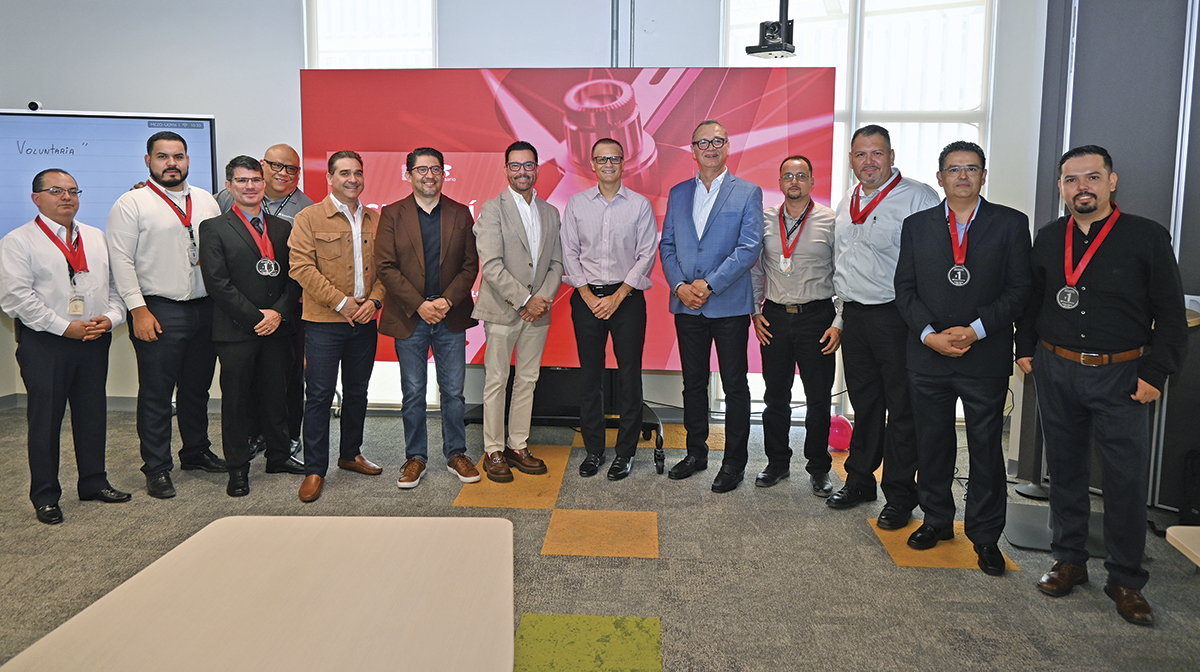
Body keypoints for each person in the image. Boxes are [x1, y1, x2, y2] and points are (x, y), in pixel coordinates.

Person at [1016, 145, 1187, 625]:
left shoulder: (1146, 236)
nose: (1082, 187)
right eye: (1072, 180)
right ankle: (1069, 559)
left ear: (1112, 181)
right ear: (1061, 188)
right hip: (1057, 368)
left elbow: (1171, 314)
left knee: (1124, 479)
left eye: (1092, 177)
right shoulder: (1050, 237)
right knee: (1064, 470)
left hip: (1123, 376)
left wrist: (1156, 373)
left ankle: (1126, 579)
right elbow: (1033, 300)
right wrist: (1025, 349)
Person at [893, 141, 1031, 575]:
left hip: (983, 355)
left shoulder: (1011, 224)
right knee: (932, 443)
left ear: (984, 176)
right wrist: (930, 335)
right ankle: (936, 519)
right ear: (940, 178)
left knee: (986, 448)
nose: (963, 176)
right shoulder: (916, 225)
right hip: (928, 355)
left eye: (972, 168)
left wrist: (976, 330)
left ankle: (985, 536)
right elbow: (904, 289)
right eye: (954, 169)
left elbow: (1020, 290)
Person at [0, 169, 130, 524]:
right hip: (46, 343)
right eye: (56, 191)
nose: (67, 197)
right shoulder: (18, 241)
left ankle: (94, 482)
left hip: (93, 338)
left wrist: (111, 318)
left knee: (93, 415)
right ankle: (45, 496)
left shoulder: (95, 237)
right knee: (46, 420)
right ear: (36, 198)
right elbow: (16, 299)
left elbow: (116, 288)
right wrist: (63, 327)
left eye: (73, 191)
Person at [828, 125, 941, 526]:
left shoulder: (918, 197)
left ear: (892, 156)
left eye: (877, 153)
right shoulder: (847, 199)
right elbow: (843, 263)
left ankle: (900, 494)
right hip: (855, 317)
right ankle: (860, 480)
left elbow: (933, 262)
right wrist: (841, 317)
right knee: (865, 404)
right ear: (851, 160)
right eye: (861, 154)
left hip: (897, 317)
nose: (869, 161)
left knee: (902, 408)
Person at [107, 131, 227, 499]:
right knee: (157, 395)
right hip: (158, 308)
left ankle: (196, 451)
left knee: (197, 389)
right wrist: (138, 309)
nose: (171, 164)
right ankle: (157, 467)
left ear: (188, 160)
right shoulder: (131, 203)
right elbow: (121, 261)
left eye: (178, 156)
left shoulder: (206, 201)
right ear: (149, 161)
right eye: (163, 157)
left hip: (205, 307)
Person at [658, 119, 763, 493]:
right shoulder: (678, 192)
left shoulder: (747, 192)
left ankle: (733, 463)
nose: (711, 147)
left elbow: (749, 247)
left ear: (728, 146)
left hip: (729, 304)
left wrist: (709, 284)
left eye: (718, 140)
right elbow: (667, 245)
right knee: (693, 384)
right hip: (686, 304)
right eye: (703, 142)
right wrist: (680, 286)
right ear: (693, 150)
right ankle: (695, 453)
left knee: (734, 386)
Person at [199, 156, 304, 497]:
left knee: (277, 396)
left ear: (264, 183)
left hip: (277, 329)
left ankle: (278, 456)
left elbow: (294, 277)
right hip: (236, 331)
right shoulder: (214, 228)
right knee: (237, 404)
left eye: (255, 180)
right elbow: (218, 284)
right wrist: (258, 318)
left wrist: (277, 314)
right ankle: (238, 469)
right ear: (229, 186)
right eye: (242, 181)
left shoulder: (282, 228)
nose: (250, 186)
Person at [376, 148, 481, 489]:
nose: (429, 176)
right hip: (410, 316)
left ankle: (456, 453)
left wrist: (447, 301)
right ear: (409, 174)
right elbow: (386, 267)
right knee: (413, 392)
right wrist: (420, 304)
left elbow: (470, 266)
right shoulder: (392, 214)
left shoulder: (460, 213)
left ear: (443, 173)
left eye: (435, 169)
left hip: (450, 316)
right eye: (421, 169)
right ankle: (415, 457)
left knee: (453, 392)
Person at [288, 151, 387, 502]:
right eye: (344, 173)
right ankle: (315, 469)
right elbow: (301, 267)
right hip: (324, 322)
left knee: (358, 391)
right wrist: (342, 303)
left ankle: (350, 454)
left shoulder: (375, 218)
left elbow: (387, 269)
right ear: (330, 178)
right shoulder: (309, 218)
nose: (352, 179)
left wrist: (374, 302)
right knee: (319, 395)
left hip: (364, 320)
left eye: (358, 173)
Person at [560, 138, 657, 481]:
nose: (608, 164)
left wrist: (617, 297)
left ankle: (625, 453)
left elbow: (646, 254)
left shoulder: (640, 205)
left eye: (614, 158)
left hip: (627, 299)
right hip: (586, 298)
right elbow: (569, 252)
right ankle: (594, 451)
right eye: (602, 159)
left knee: (630, 377)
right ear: (592, 164)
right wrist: (587, 295)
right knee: (591, 377)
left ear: (623, 163)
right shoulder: (577, 204)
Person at [215, 144, 315, 465]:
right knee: (244, 384)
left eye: (292, 169)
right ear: (262, 166)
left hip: (285, 310)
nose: (284, 174)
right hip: (239, 313)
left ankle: (287, 440)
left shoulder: (305, 209)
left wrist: (279, 311)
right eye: (276, 166)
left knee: (285, 378)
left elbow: (301, 268)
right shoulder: (224, 201)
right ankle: (251, 438)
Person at [471, 141, 563, 483]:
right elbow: (492, 266)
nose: (522, 171)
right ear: (506, 169)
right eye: (515, 165)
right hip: (503, 310)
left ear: (537, 169)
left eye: (528, 165)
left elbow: (557, 263)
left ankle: (518, 445)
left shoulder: (550, 212)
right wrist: (525, 300)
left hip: (538, 312)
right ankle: (494, 449)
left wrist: (541, 299)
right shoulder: (492, 209)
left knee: (528, 379)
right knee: (497, 380)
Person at [750, 155, 840, 494]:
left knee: (818, 398)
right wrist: (754, 312)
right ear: (779, 181)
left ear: (812, 181)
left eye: (801, 175)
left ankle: (818, 467)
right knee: (775, 396)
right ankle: (777, 462)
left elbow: (843, 272)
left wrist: (839, 321)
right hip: (774, 316)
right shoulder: (764, 220)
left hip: (817, 317)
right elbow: (756, 269)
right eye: (788, 175)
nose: (794, 181)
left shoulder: (830, 221)